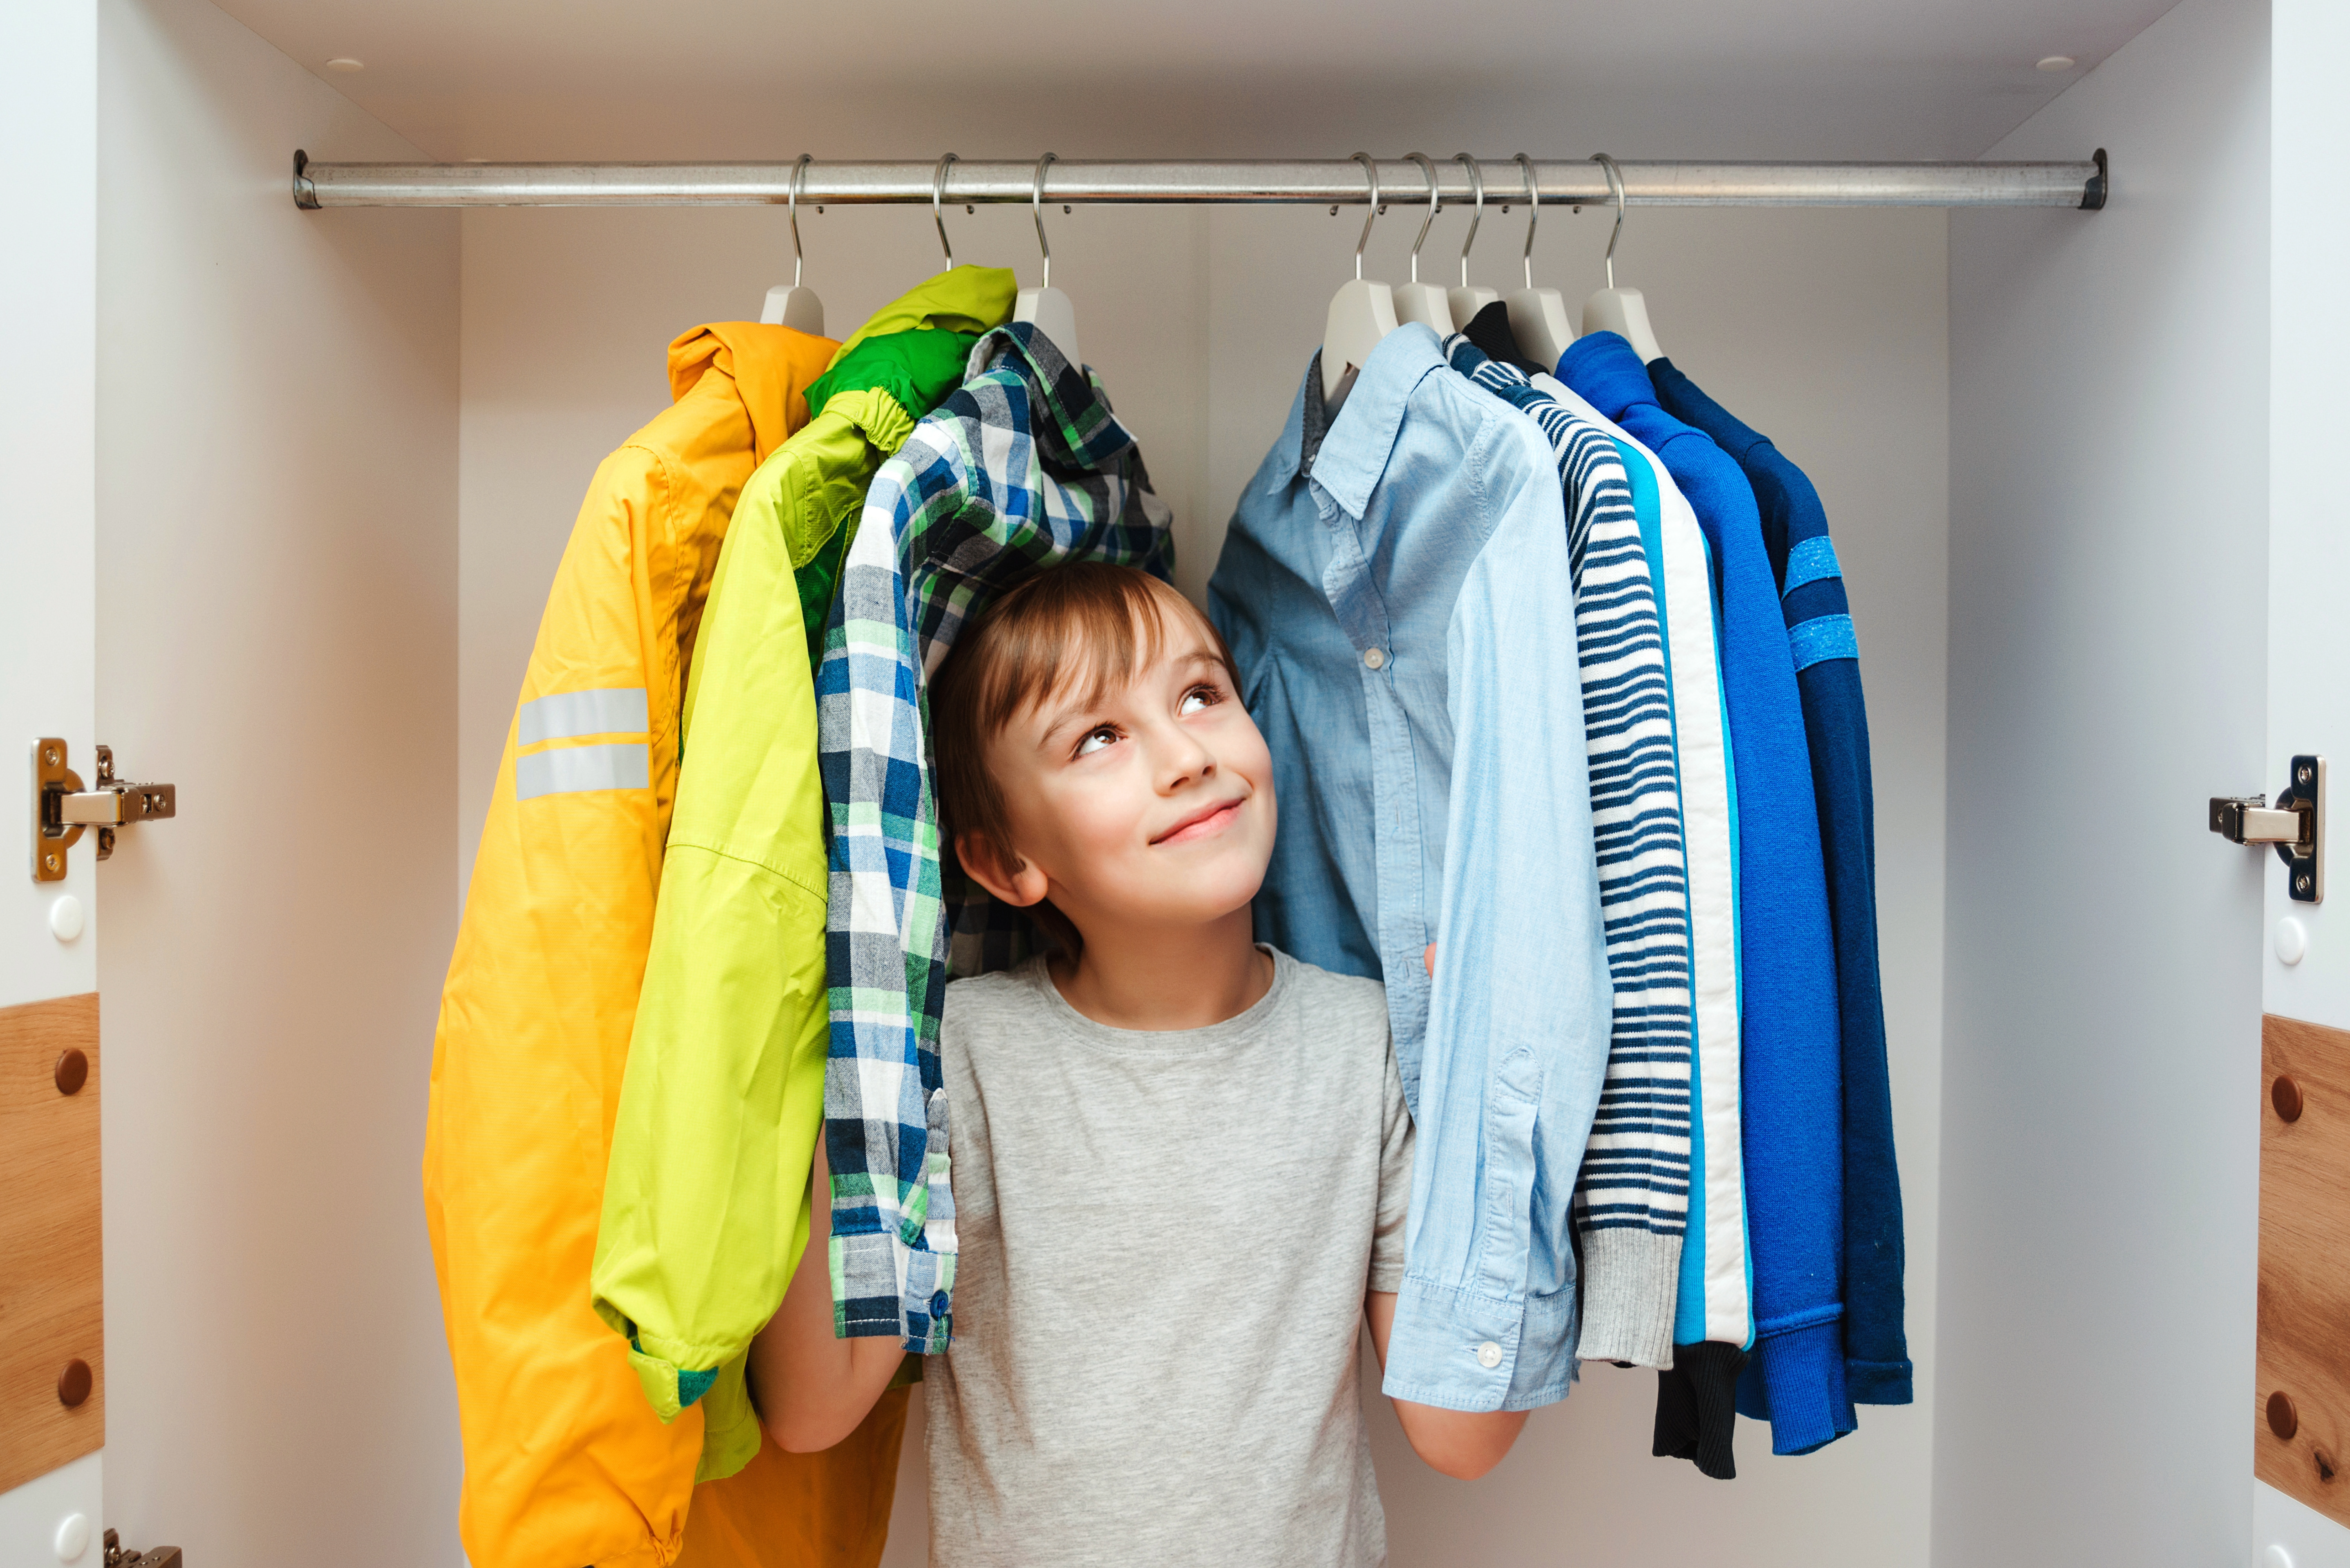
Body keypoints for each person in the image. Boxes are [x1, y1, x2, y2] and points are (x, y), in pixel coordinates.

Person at [749, 562, 1525, 1566]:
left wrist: (1491, 1072)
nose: (1184, 755)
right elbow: (810, 1410)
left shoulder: (1364, 1043)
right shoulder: (958, 1056)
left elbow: (1460, 1434)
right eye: (1099, 737)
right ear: (1007, 862)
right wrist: (867, 1028)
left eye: (1201, 694)